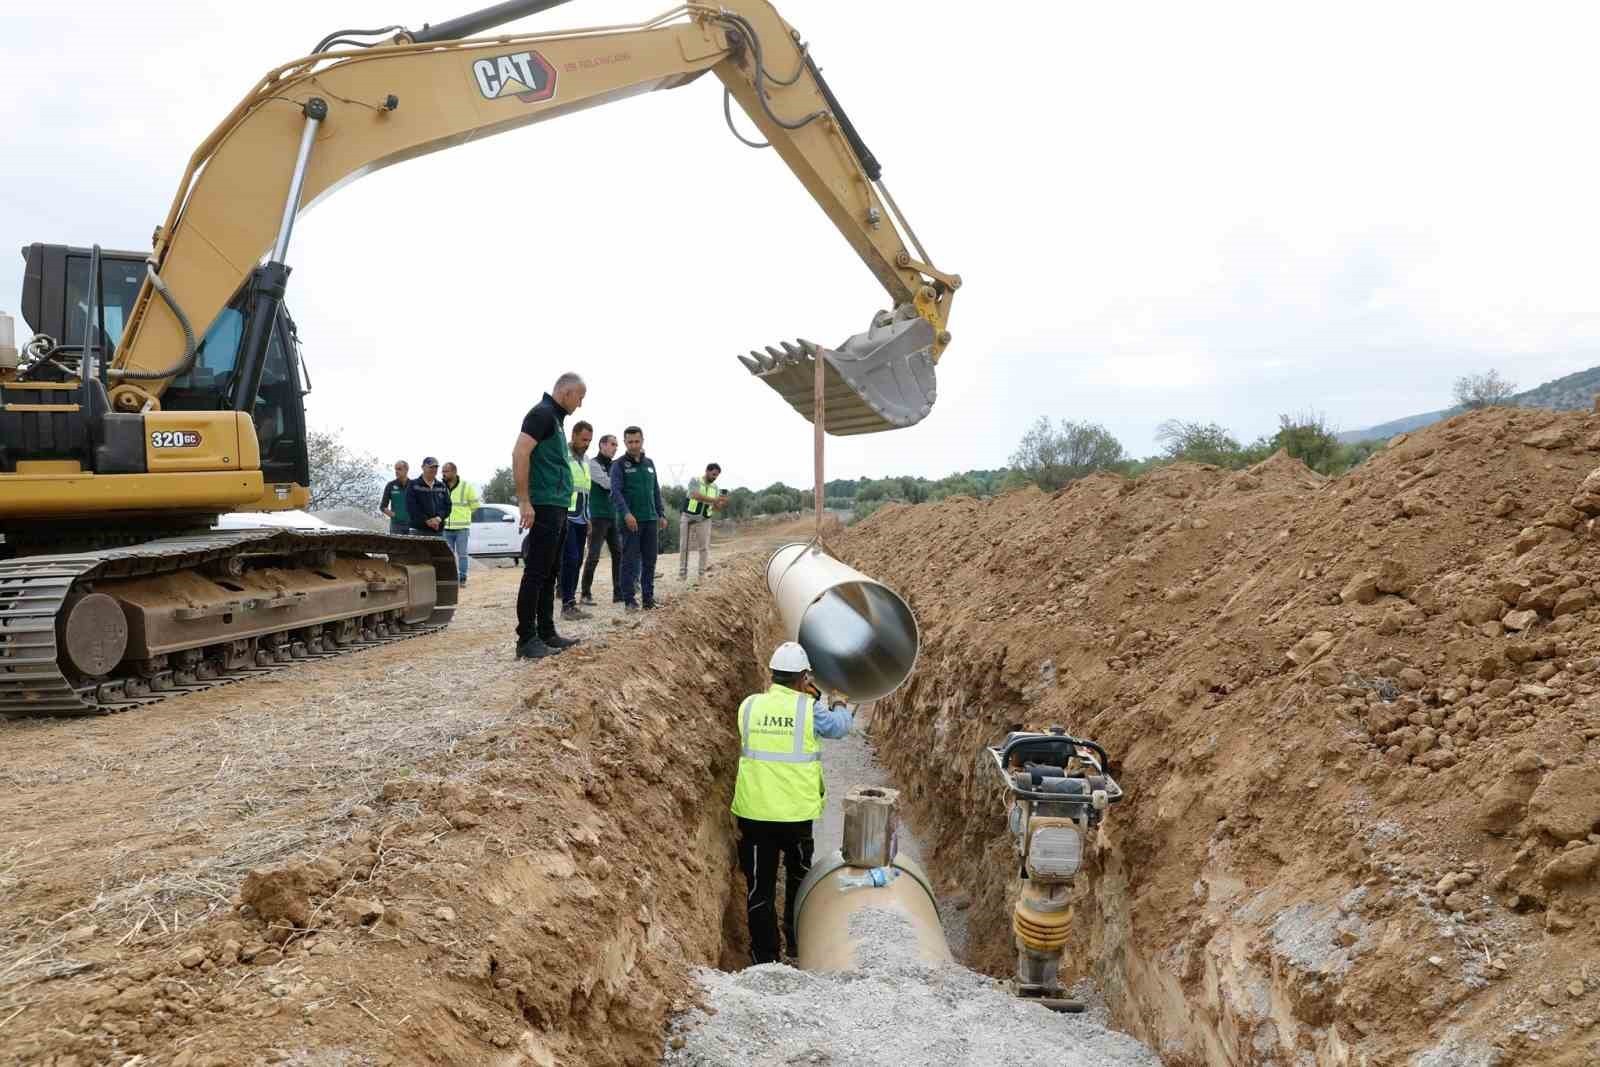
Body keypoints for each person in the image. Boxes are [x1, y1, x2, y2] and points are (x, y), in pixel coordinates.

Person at [731, 641, 853, 966]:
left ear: (771, 675)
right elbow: (840, 728)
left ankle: (764, 959)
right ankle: (798, 946)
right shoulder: (809, 710)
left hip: (754, 815)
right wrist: (838, 702)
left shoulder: (750, 706)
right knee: (799, 881)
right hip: (796, 817)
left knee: (760, 888)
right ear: (803, 678)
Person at [512, 373, 585, 660]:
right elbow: (520, 453)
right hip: (542, 504)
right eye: (579, 397)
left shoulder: (555, 420)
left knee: (550, 571)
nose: (579, 405)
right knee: (536, 573)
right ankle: (526, 639)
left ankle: (546, 632)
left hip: (557, 506)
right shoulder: (541, 414)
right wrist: (524, 501)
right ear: (565, 392)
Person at [609, 425, 667, 612]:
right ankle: (629, 601)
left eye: (637, 441)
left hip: (650, 520)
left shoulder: (649, 464)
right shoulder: (618, 465)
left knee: (650, 560)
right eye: (630, 442)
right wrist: (626, 514)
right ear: (625, 442)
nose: (634, 445)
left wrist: (661, 513)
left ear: (642, 441)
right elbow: (616, 492)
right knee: (630, 562)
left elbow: (655, 491)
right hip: (631, 522)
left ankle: (648, 600)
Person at [580, 434, 623, 606]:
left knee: (618, 554)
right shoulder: (593, 464)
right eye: (612, 444)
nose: (615, 448)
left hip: (613, 516)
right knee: (594, 556)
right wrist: (620, 482)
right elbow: (607, 484)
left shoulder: (614, 465)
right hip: (598, 517)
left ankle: (618, 593)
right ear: (602, 445)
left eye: (616, 445)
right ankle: (585, 594)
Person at [559, 421, 594, 620]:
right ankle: (567, 604)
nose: (586, 443)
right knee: (569, 559)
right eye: (583, 439)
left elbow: (586, 491)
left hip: (582, 517)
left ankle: (571, 602)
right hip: (567, 517)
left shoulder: (586, 460)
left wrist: (588, 517)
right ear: (573, 435)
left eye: (589, 440)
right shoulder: (564, 456)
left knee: (577, 560)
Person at [679, 462, 725, 581]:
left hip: (705, 519)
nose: (714, 477)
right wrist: (715, 499)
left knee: (704, 547)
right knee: (684, 545)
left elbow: (715, 507)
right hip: (689, 516)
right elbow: (695, 495)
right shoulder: (695, 480)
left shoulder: (715, 488)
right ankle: (682, 574)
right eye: (713, 474)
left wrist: (721, 504)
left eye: (717, 476)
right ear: (707, 471)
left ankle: (701, 575)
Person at [441, 462, 481, 586]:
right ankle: (451, 579)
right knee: (447, 556)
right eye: (443, 471)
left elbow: (475, 505)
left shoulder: (466, 486)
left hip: (462, 528)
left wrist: (465, 516)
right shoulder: (440, 486)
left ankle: (462, 578)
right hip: (446, 527)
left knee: (462, 555)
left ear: (454, 472)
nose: (443, 474)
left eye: (446, 471)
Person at [405, 457, 451, 537]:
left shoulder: (442, 486)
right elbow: (411, 507)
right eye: (431, 467)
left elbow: (447, 506)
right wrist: (426, 521)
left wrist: (438, 519)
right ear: (423, 467)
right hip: (418, 531)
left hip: (438, 531)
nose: (433, 469)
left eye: (436, 467)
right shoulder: (413, 485)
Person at [378, 460, 410, 535]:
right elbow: (383, 507)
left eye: (399, 469)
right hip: (396, 526)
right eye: (395, 469)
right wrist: (394, 515)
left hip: (411, 525)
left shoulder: (413, 485)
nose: (396, 471)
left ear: (406, 470)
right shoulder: (390, 485)